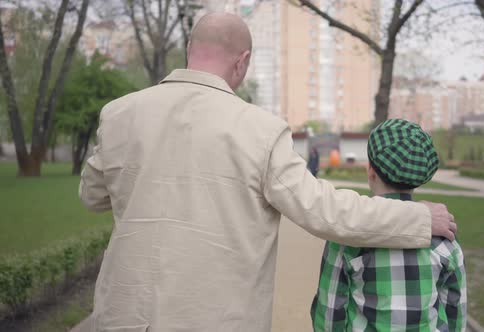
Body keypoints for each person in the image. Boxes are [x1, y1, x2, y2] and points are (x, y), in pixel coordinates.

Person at [78, 13, 457, 332]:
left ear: (190, 51)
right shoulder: (259, 129)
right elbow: (326, 212)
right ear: (241, 62)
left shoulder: (119, 113)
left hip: (124, 315)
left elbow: (92, 195)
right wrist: (419, 216)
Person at [311, 119, 467, 331]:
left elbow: (329, 315)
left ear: (371, 171)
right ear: (420, 177)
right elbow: (455, 312)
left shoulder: (347, 236)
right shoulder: (444, 236)